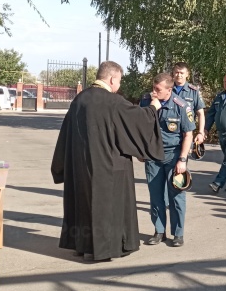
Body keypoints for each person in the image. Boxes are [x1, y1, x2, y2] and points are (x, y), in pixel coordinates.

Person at [51, 61, 164, 261]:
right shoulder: (113, 101)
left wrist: (62, 166)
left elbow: (65, 136)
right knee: (107, 208)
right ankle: (105, 250)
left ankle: (83, 246)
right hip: (109, 168)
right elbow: (137, 120)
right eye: (119, 80)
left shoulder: (79, 100)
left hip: (81, 167)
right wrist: (153, 109)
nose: (119, 85)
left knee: (84, 205)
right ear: (112, 79)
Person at [139, 73, 194, 247]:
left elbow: (188, 134)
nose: (154, 92)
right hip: (153, 157)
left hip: (174, 157)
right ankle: (159, 231)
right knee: (155, 196)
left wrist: (183, 160)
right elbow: (140, 127)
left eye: (158, 89)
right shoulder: (147, 101)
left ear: (169, 90)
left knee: (176, 196)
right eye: (153, 88)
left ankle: (178, 234)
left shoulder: (181, 106)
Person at [171, 62, 206, 152]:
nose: (179, 75)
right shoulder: (168, 89)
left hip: (186, 132)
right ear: (173, 73)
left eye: (182, 73)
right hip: (169, 132)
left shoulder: (194, 91)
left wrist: (201, 133)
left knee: (182, 161)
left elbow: (200, 113)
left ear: (187, 74)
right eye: (176, 72)